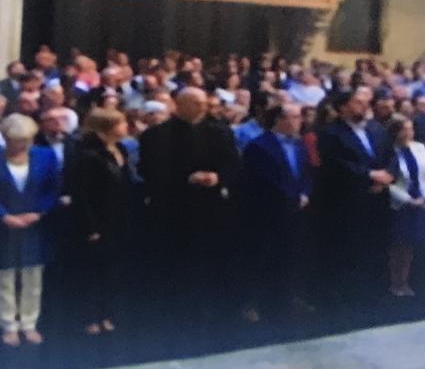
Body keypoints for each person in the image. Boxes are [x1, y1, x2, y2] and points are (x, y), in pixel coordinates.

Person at [138, 87, 240, 350]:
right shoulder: (156, 135)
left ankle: (210, 314)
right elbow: (150, 171)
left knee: (210, 264)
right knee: (176, 266)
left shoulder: (221, 131)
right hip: (174, 209)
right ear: (180, 104)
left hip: (211, 209)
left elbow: (233, 165)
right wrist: (186, 179)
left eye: (205, 102)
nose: (204, 107)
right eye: (196, 102)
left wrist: (218, 178)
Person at [0, 113, 61, 346]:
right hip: (3, 225)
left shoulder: (46, 156)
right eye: (16, 140)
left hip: (35, 225)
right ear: (5, 138)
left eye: (26, 139)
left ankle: (29, 323)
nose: (22, 144)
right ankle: (8, 324)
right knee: (5, 275)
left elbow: (53, 189)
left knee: (33, 275)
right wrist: (3, 216)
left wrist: (40, 212)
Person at [313, 87, 394, 305]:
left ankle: (377, 291)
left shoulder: (376, 129)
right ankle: (349, 295)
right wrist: (369, 175)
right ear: (342, 108)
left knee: (376, 245)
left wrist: (386, 176)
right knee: (350, 248)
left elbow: (389, 156)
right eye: (357, 102)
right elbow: (336, 164)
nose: (364, 105)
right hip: (348, 200)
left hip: (378, 198)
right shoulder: (330, 133)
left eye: (364, 101)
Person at [238, 101, 313, 323]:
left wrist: (305, 193)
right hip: (267, 211)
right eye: (294, 117)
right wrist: (291, 196)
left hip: (295, 211)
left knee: (291, 255)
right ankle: (252, 303)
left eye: (299, 117)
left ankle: (287, 298)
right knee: (262, 258)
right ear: (280, 120)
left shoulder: (299, 145)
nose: (299, 122)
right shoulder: (259, 146)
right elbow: (264, 179)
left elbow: (306, 173)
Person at [66, 109, 131, 335]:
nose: (126, 127)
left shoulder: (120, 149)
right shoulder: (88, 155)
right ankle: (90, 315)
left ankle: (109, 312)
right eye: (122, 123)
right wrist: (90, 227)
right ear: (107, 127)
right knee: (93, 271)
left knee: (113, 270)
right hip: (98, 220)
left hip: (119, 219)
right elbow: (82, 194)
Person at [385, 115, 425, 297]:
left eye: (410, 129)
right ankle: (395, 282)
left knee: (412, 245)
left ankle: (406, 281)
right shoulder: (390, 151)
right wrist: (407, 199)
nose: (408, 133)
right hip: (401, 203)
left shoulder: (419, 148)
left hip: (421, 200)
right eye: (404, 129)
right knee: (399, 244)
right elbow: (389, 182)